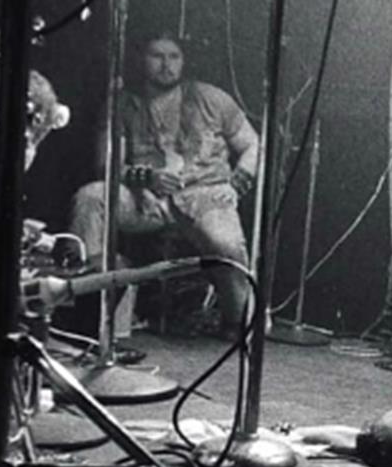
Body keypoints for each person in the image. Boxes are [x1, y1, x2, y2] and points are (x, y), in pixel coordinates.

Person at [68, 31, 257, 336]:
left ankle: (238, 321)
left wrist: (238, 181)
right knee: (91, 198)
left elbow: (251, 143)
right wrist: (143, 180)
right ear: (142, 59)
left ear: (183, 62)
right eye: (157, 56)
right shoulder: (122, 104)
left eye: (174, 57)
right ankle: (89, 306)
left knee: (224, 244)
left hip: (204, 194)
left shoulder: (211, 97)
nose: (166, 65)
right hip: (146, 197)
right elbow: (106, 163)